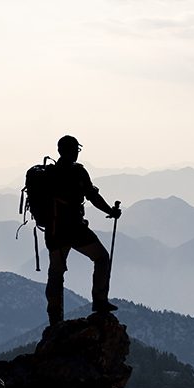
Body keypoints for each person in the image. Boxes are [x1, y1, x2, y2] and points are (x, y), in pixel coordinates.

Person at [44, 135, 122, 325]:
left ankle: (55, 319)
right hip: (75, 228)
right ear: (72, 151)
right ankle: (100, 301)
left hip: (54, 231)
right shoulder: (78, 172)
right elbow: (93, 196)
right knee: (101, 258)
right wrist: (111, 211)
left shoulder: (49, 173)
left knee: (56, 273)